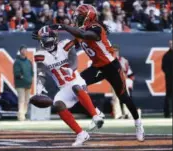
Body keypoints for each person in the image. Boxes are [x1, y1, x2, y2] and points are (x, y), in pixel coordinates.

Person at [50, 4, 145, 142]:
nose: (77, 18)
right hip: (97, 68)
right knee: (76, 85)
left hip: (111, 66)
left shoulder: (96, 28)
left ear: (88, 17)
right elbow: (70, 45)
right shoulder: (81, 30)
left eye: (80, 16)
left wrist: (64, 27)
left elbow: (83, 35)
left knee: (123, 97)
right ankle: (96, 113)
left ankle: (138, 123)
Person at [32, 26, 104, 146]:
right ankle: (81, 134)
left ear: (55, 38)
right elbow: (41, 73)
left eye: (48, 39)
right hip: (63, 87)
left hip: (76, 80)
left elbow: (74, 60)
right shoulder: (40, 54)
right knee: (58, 105)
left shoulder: (65, 45)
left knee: (75, 87)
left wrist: (71, 69)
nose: (46, 43)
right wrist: (39, 87)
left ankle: (95, 116)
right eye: (44, 40)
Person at [111, 45, 135, 119]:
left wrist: (130, 81)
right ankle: (118, 114)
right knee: (116, 98)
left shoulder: (123, 60)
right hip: (114, 80)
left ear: (118, 51)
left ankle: (127, 113)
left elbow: (129, 73)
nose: (115, 52)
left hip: (123, 81)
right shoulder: (108, 60)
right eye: (113, 50)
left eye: (116, 50)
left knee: (126, 97)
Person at [13, 45, 34, 121]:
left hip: (28, 84)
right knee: (21, 100)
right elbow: (16, 73)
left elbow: (32, 72)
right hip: (20, 84)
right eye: (23, 50)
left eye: (25, 50)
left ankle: (23, 115)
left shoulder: (28, 62)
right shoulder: (17, 62)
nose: (24, 51)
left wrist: (30, 79)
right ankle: (20, 116)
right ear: (20, 51)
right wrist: (22, 77)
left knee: (27, 100)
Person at [162, 40, 173, 118]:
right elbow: (163, 67)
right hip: (169, 79)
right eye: (170, 44)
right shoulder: (166, 55)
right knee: (169, 96)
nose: (171, 45)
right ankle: (167, 113)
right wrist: (168, 75)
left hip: (169, 77)